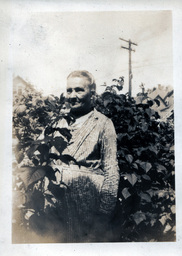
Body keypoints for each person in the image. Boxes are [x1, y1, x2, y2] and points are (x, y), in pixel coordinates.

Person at [48, 70, 120, 242]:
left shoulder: (103, 123)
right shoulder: (58, 123)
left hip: (88, 207)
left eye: (79, 90)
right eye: (69, 90)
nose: (73, 96)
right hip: (55, 206)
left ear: (92, 93)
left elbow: (111, 170)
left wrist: (103, 215)